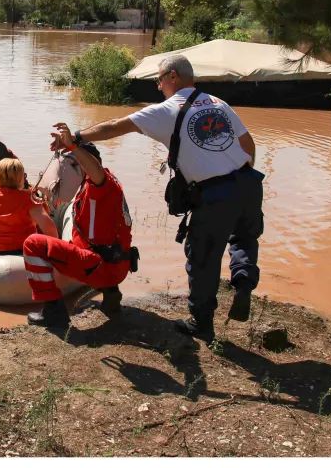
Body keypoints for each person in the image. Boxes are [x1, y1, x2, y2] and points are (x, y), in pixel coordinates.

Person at [61, 54, 263, 342]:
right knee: (243, 239)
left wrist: (77, 138)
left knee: (202, 257)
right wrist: (239, 181)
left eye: (159, 79)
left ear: (173, 77)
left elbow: (116, 126)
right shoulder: (219, 103)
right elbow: (249, 145)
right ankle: (243, 285)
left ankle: (202, 323)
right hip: (249, 185)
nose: (158, 86)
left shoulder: (168, 110)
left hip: (215, 194)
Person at [22, 133, 134, 329]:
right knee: (85, 238)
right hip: (115, 264)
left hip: (100, 267)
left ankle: (53, 310)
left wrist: (74, 147)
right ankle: (110, 293)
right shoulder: (105, 185)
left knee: (33, 243)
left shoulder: (100, 183)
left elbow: (96, 171)